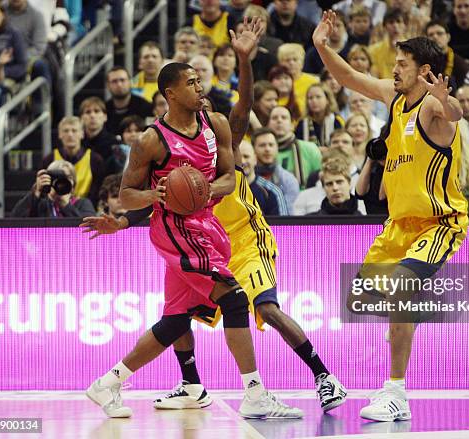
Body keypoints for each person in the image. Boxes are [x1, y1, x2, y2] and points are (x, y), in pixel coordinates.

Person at [82, 18, 345, 413]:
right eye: (190, 82)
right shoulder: (151, 140)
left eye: (199, 80)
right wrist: (152, 199)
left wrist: (244, 60)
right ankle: (254, 394)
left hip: (209, 226)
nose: (199, 85)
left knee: (176, 320)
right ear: (170, 93)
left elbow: (226, 178)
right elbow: (128, 195)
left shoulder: (216, 125)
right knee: (238, 301)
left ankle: (108, 383)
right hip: (175, 229)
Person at [314, 11, 469, 422]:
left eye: (401, 65)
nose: (393, 70)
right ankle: (403, 325)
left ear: (425, 72)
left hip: (439, 222)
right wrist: (322, 47)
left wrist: (444, 99)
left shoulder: (434, 110)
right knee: (361, 297)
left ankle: (396, 391)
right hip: (399, 224)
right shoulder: (393, 97)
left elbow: (455, 115)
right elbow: (348, 78)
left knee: (401, 288)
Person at [42, 116, 105, 206]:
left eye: (74, 130)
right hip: (55, 208)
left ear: (82, 134)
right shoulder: (49, 159)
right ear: (60, 134)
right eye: (66, 131)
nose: (70, 134)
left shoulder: (95, 160)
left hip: (86, 208)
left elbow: (98, 191)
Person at [11, 160, 96, 218]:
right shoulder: (40, 204)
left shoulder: (83, 204)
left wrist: (65, 205)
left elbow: (87, 230)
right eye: (55, 178)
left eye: (66, 178)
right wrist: (36, 192)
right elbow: (15, 220)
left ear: (73, 182)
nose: (60, 183)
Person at [268, 105, 322, 188]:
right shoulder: (264, 150)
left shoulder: (310, 148)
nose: (279, 121)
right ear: (268, 124)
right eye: (274, 118)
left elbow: (321, 178)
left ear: (292, 125)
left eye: (284, 117)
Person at [253, 126, 300, 211]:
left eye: (271, 145)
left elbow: (288, 216)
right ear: (253, 149)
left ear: (277, 148)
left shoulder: (289, 180)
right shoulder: (246, 178)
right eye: (262, 145)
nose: (267, 149)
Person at [239, 140, 288, 215]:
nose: (242, 161)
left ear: (255, 159)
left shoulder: (273, 192)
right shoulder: (223, 191)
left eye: (246, 156)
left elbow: (282, 226)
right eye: (237, 157)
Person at [105, 66, 154, 134]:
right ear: (108, 85)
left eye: (122, 80)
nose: (119, 84)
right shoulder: (104, 110)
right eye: (114, 81)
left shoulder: (146, 107)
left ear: (130, 82)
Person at [424, 20, 469, 91]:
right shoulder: (422, 61)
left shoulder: (459, 63)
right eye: (431, 35)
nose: (435, 37)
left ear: (448, 37)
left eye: (439, 33)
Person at [303, 10, 350, 75]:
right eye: (331, 25)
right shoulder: (313, 53)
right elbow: (307, 76)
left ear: (345, 28)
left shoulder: (351, 51)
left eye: (338, 25)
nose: (335, 30)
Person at [277, 43, 319, 115]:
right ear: (280, 63)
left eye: (295, 59)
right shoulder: (276, 82)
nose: (291, 63)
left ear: (302, 63)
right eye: (287, 60)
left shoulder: (314, 82)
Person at [368, 9, 406, 80]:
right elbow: (374, 78)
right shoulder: (373, 50)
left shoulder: (413, 49)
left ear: (404, 25)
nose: (395, 26)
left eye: (398, 21)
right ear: (384, 27)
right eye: (391, 22)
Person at [79, 97, 119, 165]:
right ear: (81, 118)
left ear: (105, 117)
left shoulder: (114, 143)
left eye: (96, 111)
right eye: (88, 112)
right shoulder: (77, 143)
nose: (92, 115)